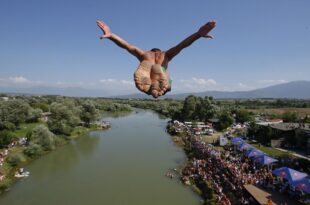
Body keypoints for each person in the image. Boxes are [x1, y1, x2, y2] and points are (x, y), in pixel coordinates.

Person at [97, 20, 216, 98]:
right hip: (161, 72)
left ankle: (153, 86)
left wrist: (111, 35)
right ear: (158, 51)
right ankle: (161, 86)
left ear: (151, 50)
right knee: (161, 71)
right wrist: (198, 35)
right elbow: (182, 45)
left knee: (148, 64)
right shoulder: (166, 55)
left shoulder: (145, 54)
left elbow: (128, 46)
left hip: (147, 68)